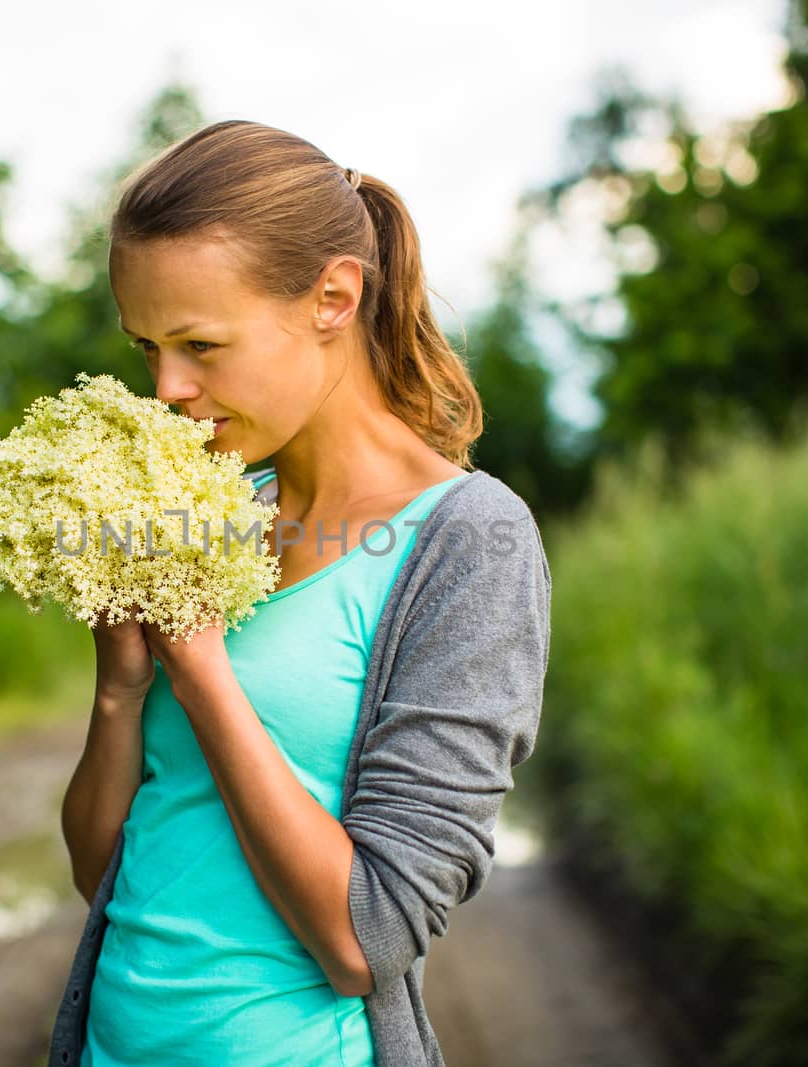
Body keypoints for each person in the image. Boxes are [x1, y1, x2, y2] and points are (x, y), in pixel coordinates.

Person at [49, 119, 551, 1067]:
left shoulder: (473, 542)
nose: (167, 389)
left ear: (333, 297)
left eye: (199, 343)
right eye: (147, 346)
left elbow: (369, 939)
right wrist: (120, 688)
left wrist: (199, 670)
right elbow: (100, 875)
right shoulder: (212, 507)